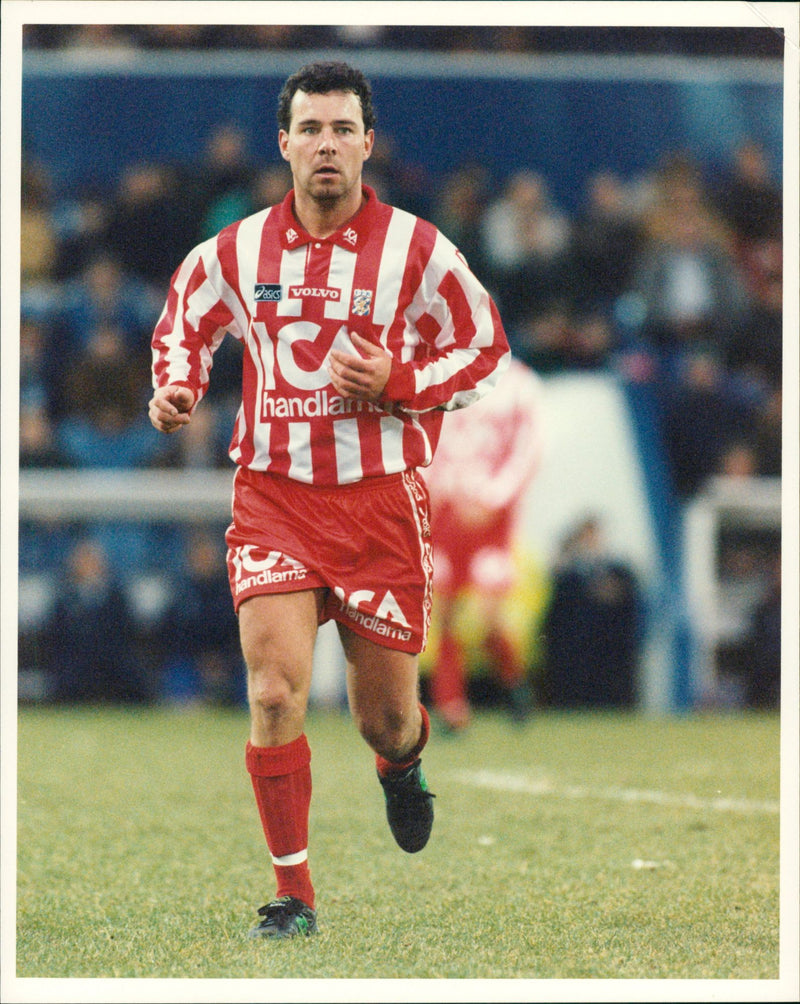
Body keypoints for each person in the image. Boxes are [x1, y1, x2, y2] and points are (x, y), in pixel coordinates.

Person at [148, 61, 510, 940]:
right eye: (310, 129)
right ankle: (292, 892)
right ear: (284, 143)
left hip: (381, 505)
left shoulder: (418, 250)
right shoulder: (235, 249)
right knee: (272, 690)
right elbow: (184, 322)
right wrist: (175, 388)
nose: (326, 145)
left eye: (343, 129)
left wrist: (402, 379)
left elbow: (486, 346)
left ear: (367, 144)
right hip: (274, 498)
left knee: (384, 720)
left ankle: (402, 765)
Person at [422, 357, 544, 731]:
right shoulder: (439, 374)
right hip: (444, 510)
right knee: (445, 610)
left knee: (490, 616)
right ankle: (452, 706)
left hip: (491, 518)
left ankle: (514, 683)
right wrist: (438, 488)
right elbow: (424, 435)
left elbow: (529, 445)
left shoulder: (520, 382)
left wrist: (493, 497)